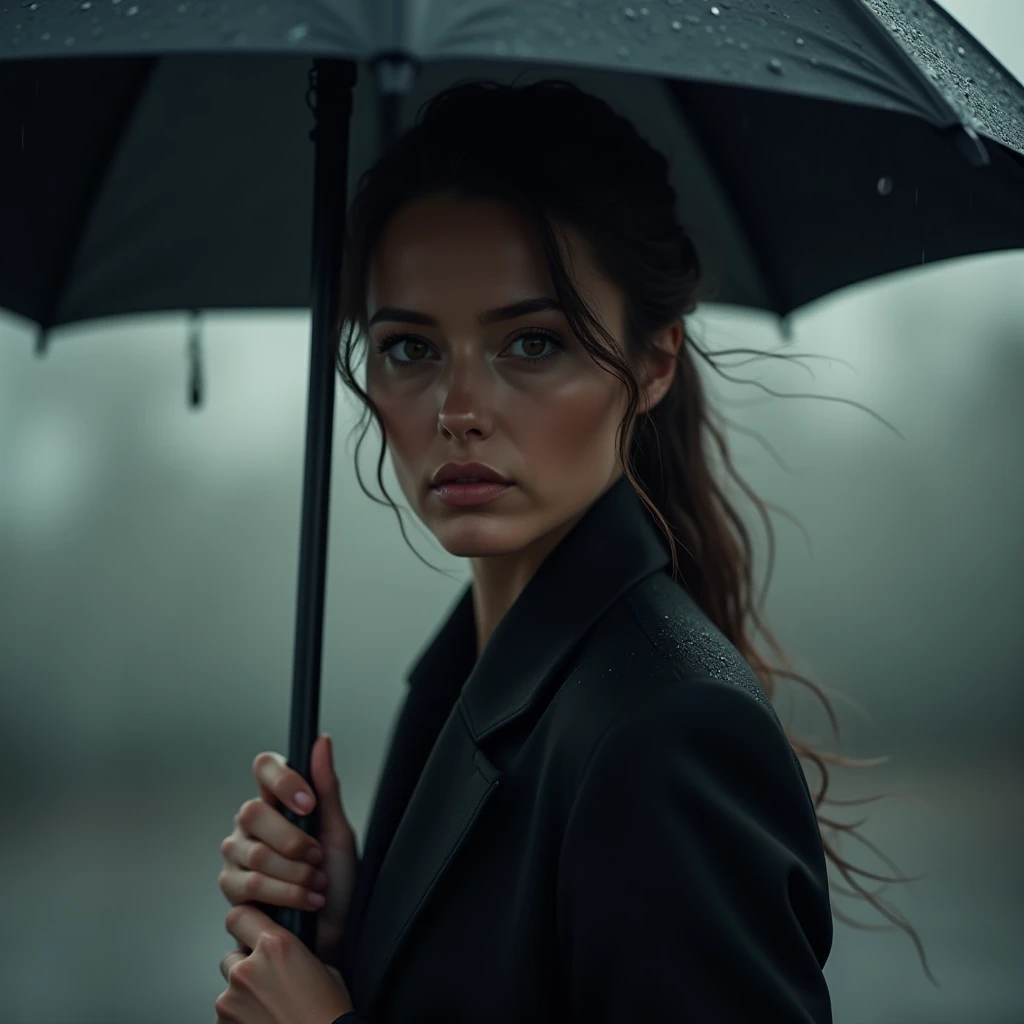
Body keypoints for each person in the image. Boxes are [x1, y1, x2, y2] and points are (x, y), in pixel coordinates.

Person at [217, 78, 928, 1024]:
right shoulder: (475, 686)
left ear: (654, 364)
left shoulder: (668, 736)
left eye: (533, 344)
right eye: (410, 349)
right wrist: (360, 927)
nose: (459, 412)